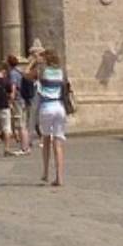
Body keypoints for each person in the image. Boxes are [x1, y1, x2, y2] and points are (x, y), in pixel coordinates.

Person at [34, 57, 72, 187]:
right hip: (60, 107)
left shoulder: (42, 71)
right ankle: (59, 177)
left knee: (46, 139)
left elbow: (27, 74)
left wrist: (34, 61)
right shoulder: (61, 72)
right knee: (58, 143)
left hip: (47, 106)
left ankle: (45, 172)